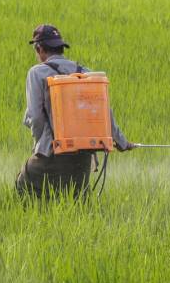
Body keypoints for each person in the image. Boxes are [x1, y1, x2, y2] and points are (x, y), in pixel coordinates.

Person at [16, 24, 135, 199]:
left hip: (52, 152)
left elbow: (35, 116)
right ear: (61, 47)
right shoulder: (85, 72)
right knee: (77, 201)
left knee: (23, 189)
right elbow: (104, 112)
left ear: (39, 49)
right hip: (83, 157)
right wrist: (122, 142)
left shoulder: (37, 73)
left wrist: (40, 147)